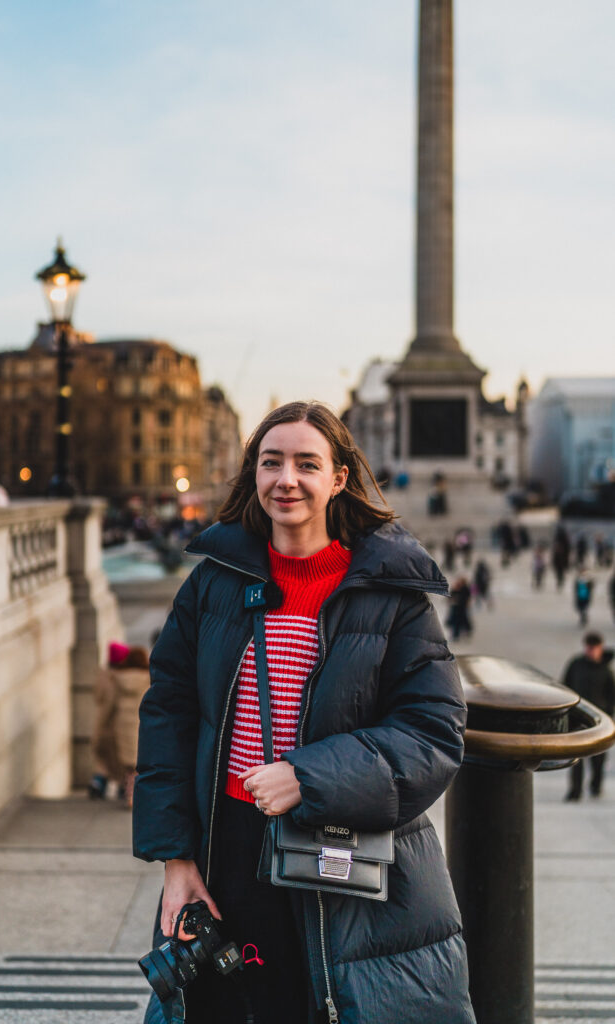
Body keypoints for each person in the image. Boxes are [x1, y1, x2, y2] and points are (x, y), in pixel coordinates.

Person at [133, 401, 475, 1024]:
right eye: (271, 462)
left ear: (338, 478)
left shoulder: (391, 595)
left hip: (343, 852)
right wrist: (176, 863)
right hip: (227, 849)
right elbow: (167, 720)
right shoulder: (212, 584)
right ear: (254, 474)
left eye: (306, 463)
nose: (286, 479)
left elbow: (433, 733)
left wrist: (308, 775)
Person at [90, 642, 150, 805]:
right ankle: (132, 794)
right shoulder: (148, 678)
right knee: (138, 763)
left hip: (121, 725)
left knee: (127, 765)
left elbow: (107, 703)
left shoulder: (117, 679)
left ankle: (127, 791)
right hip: (140, 724)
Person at [563, 633, 615, 800]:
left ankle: (595, 786)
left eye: (594, 648)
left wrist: (610, 717)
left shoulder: (606, 670)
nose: (591, 651)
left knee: (598, 758)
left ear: (600, 648)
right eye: (589, 647)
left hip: (599, 719)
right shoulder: (576, 664)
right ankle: (575, 791)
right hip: (577, 717)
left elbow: (612, 695)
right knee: (576, 756)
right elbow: (565, 686)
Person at [448, 575, 473, 640]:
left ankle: (465, 630)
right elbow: (449, 597)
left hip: (462, 607)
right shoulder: (454, 590)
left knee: (463, 619)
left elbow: (467, 597)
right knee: (456, 621)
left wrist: (467, 603)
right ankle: (456, 634)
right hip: (455, 608)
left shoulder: (465, 589)